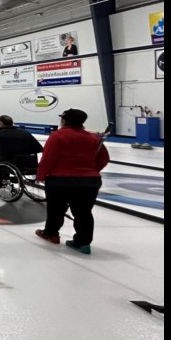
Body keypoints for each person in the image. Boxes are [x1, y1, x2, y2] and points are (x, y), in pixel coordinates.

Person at [34, 109, 110, 254]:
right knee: (84, 212)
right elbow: (103, 159)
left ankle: (51, 234)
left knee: (56, 209)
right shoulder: (94, 138)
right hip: (89, 181)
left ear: (64, 120)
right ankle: (82, 243)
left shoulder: (58, 136)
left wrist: (41, 176)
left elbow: (48, 158)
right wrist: (91, 171)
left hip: (60, 181)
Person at [0, 115, 44, 187]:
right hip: (26, 163)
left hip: (8, 161)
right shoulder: (25, 133)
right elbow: (38, 148)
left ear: (1, 123)